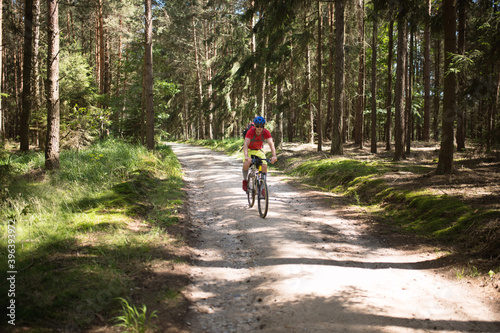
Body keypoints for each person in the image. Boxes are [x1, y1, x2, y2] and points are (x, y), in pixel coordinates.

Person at [242, 116, 277, 191]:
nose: (259, 128)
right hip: (249, 150)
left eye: (261, 126)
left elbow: (271, 144)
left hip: (258, 150)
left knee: (264, 165)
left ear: (263, 126)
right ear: (254, 126)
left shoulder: (266, 132)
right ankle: (245, 180)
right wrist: (246, 156)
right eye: (257, 126)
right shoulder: (251, 132)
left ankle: (262, 187)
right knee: (246, 163)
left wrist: (274, 156)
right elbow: (246, 144)